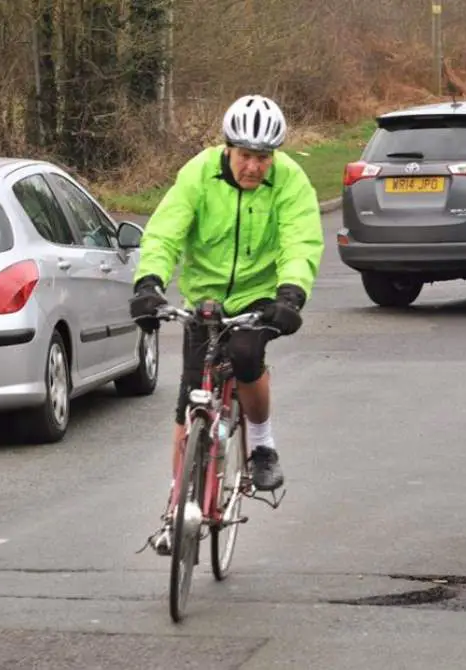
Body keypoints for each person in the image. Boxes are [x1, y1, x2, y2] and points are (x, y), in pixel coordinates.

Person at [129, 94, 325, 556]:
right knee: (188, 402)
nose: (253, 167)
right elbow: (166, 229)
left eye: (262, 158)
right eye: (245, 156)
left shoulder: (291, 182)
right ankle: (177, 508)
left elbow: (301, 239)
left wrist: (291, 293)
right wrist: (149, 281)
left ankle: (262, 445)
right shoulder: (199, 173)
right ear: (227, 149)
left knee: (245, 355)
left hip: (259, 297)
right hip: (207, 298)